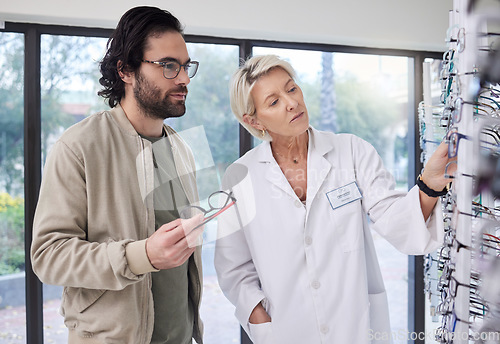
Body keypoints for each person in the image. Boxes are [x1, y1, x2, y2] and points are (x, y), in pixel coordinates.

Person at [214, 55, 454, 344]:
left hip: (356, 327)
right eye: (274, 101)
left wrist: (429, 184)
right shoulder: (240, 176)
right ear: (253, 120)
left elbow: (395, 221)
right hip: (287, 331)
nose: (292, 102)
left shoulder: (352, 151)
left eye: (291, 89)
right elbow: (232, 266)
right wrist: (259, 318)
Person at [31, 6, 205, 344]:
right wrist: (142, 256)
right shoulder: (79, 145)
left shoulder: (182, 148)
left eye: (185, 66)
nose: (183, 78)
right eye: (168, 66)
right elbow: (48, 256)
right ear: (125, 70)